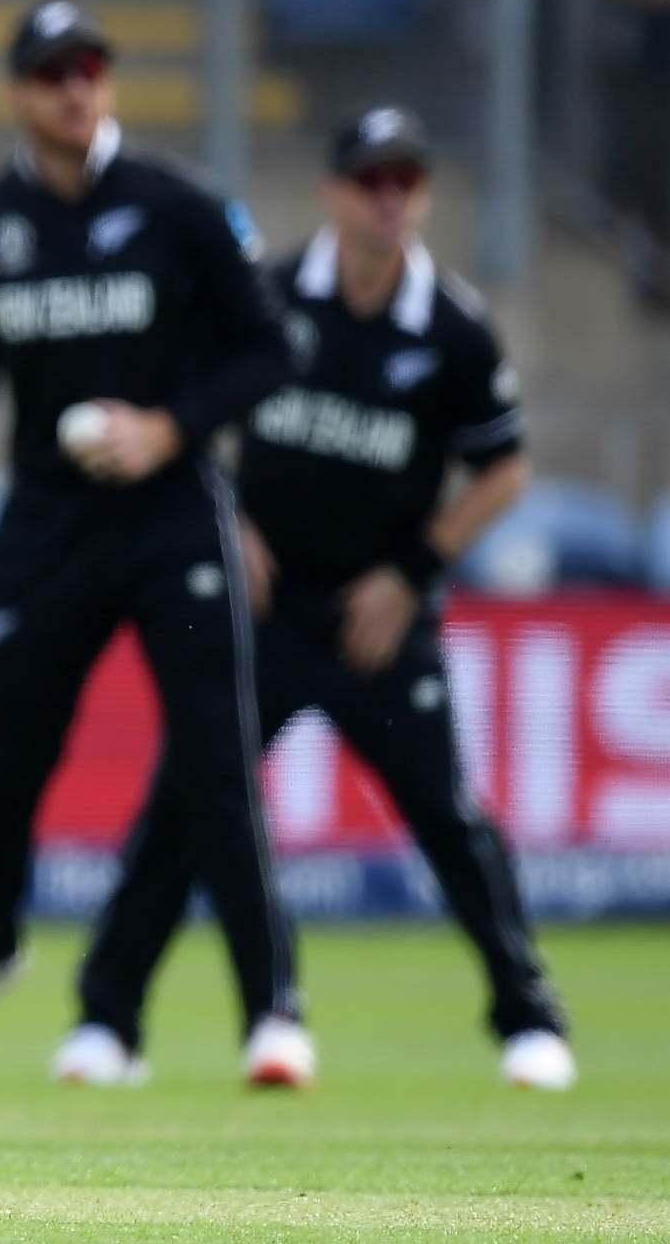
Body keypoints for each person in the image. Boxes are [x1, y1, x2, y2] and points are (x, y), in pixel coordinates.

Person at [65, 107, 576, 1094]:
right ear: (335, 193)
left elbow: (500, 469)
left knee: (445, 816)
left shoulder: (454, 327)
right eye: (370, 180)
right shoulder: (267, 295)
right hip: (257, 609)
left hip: (376, 618)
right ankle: (107, 1021)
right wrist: (230, 524)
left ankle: (528, 1015)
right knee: (188, 803)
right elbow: (195, 412)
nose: (389, 199)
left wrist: (412, 572)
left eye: (405, 181)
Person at [0, 0, 310, 1090]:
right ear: (19, 94)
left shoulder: (179, 209)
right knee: (9, 775)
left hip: (172, 517)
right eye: (50, 74)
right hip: (46, 522)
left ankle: (270, 1004)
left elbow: (270, 349)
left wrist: (170, 426)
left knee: (218, 759)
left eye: (89, 69)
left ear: (107, 81)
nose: (74, 89)